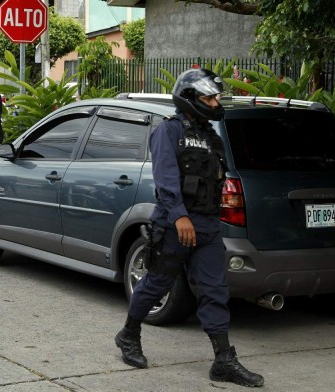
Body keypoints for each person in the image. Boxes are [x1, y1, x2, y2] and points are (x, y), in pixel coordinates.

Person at [113, 68, 264, 388]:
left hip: (208, 226)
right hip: (174, 223)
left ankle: (223, 359)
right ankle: (128, 335)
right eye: (209, 97)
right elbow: (166, 178)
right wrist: (180, 216)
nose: (215, 101)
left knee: (214, 290)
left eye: (216, 96)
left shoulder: (211, 136)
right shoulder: (169, 131)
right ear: (191, 98)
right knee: (157, 284)